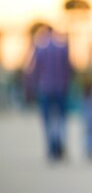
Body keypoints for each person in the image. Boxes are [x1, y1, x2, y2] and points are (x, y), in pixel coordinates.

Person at [25, 25, 73, 162]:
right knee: (61, 119)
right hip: (61, 88)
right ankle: (58, 143)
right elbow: (68, 69)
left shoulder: (40, 48)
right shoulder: (62, 48)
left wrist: (30, 88)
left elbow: (34, 70)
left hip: (44, 88)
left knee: (47, 121)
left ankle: (51, 147)